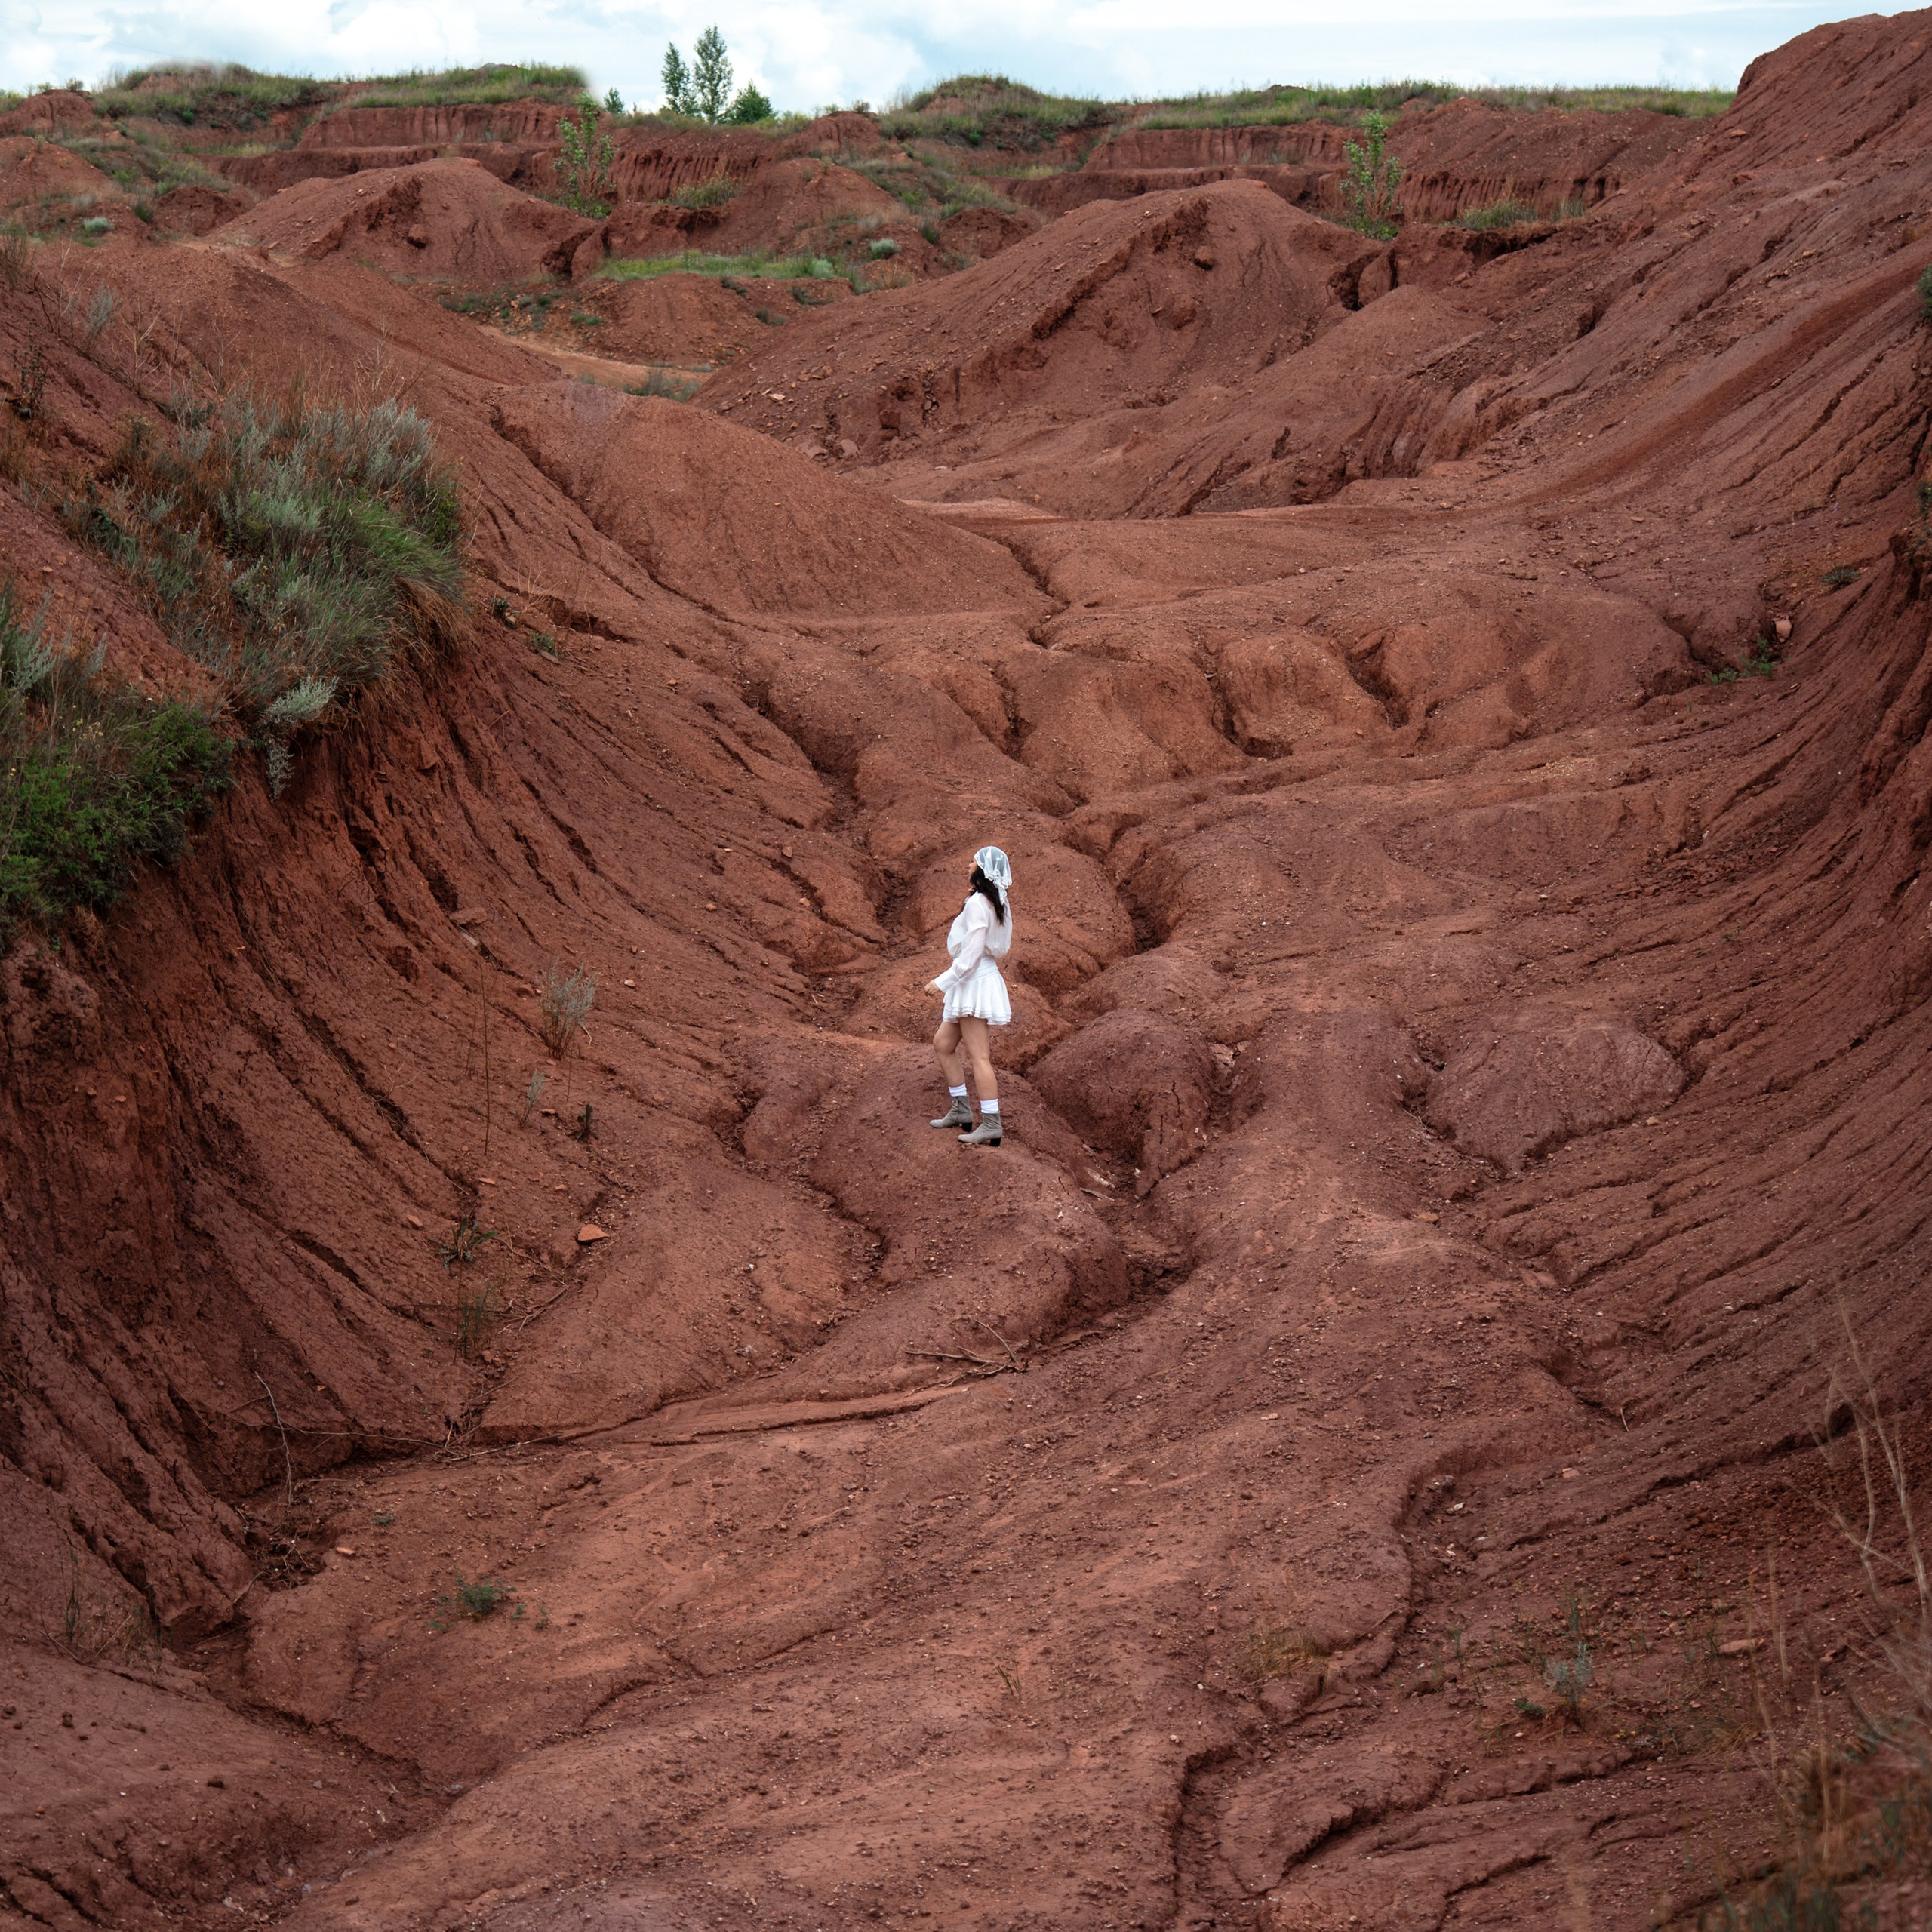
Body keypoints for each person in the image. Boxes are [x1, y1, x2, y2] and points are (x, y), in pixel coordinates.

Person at [928, 845, 1014, 1148]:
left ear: (983, 871)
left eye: (973, 862)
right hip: (975, 979)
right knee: (943, 1043)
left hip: (973, 979)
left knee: (979, 1056)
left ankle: (991, 1124)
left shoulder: (980, 903)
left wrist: (943, 980)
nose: (968, 865)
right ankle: (961, 1108)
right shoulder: (996, 902)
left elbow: (974, 951)